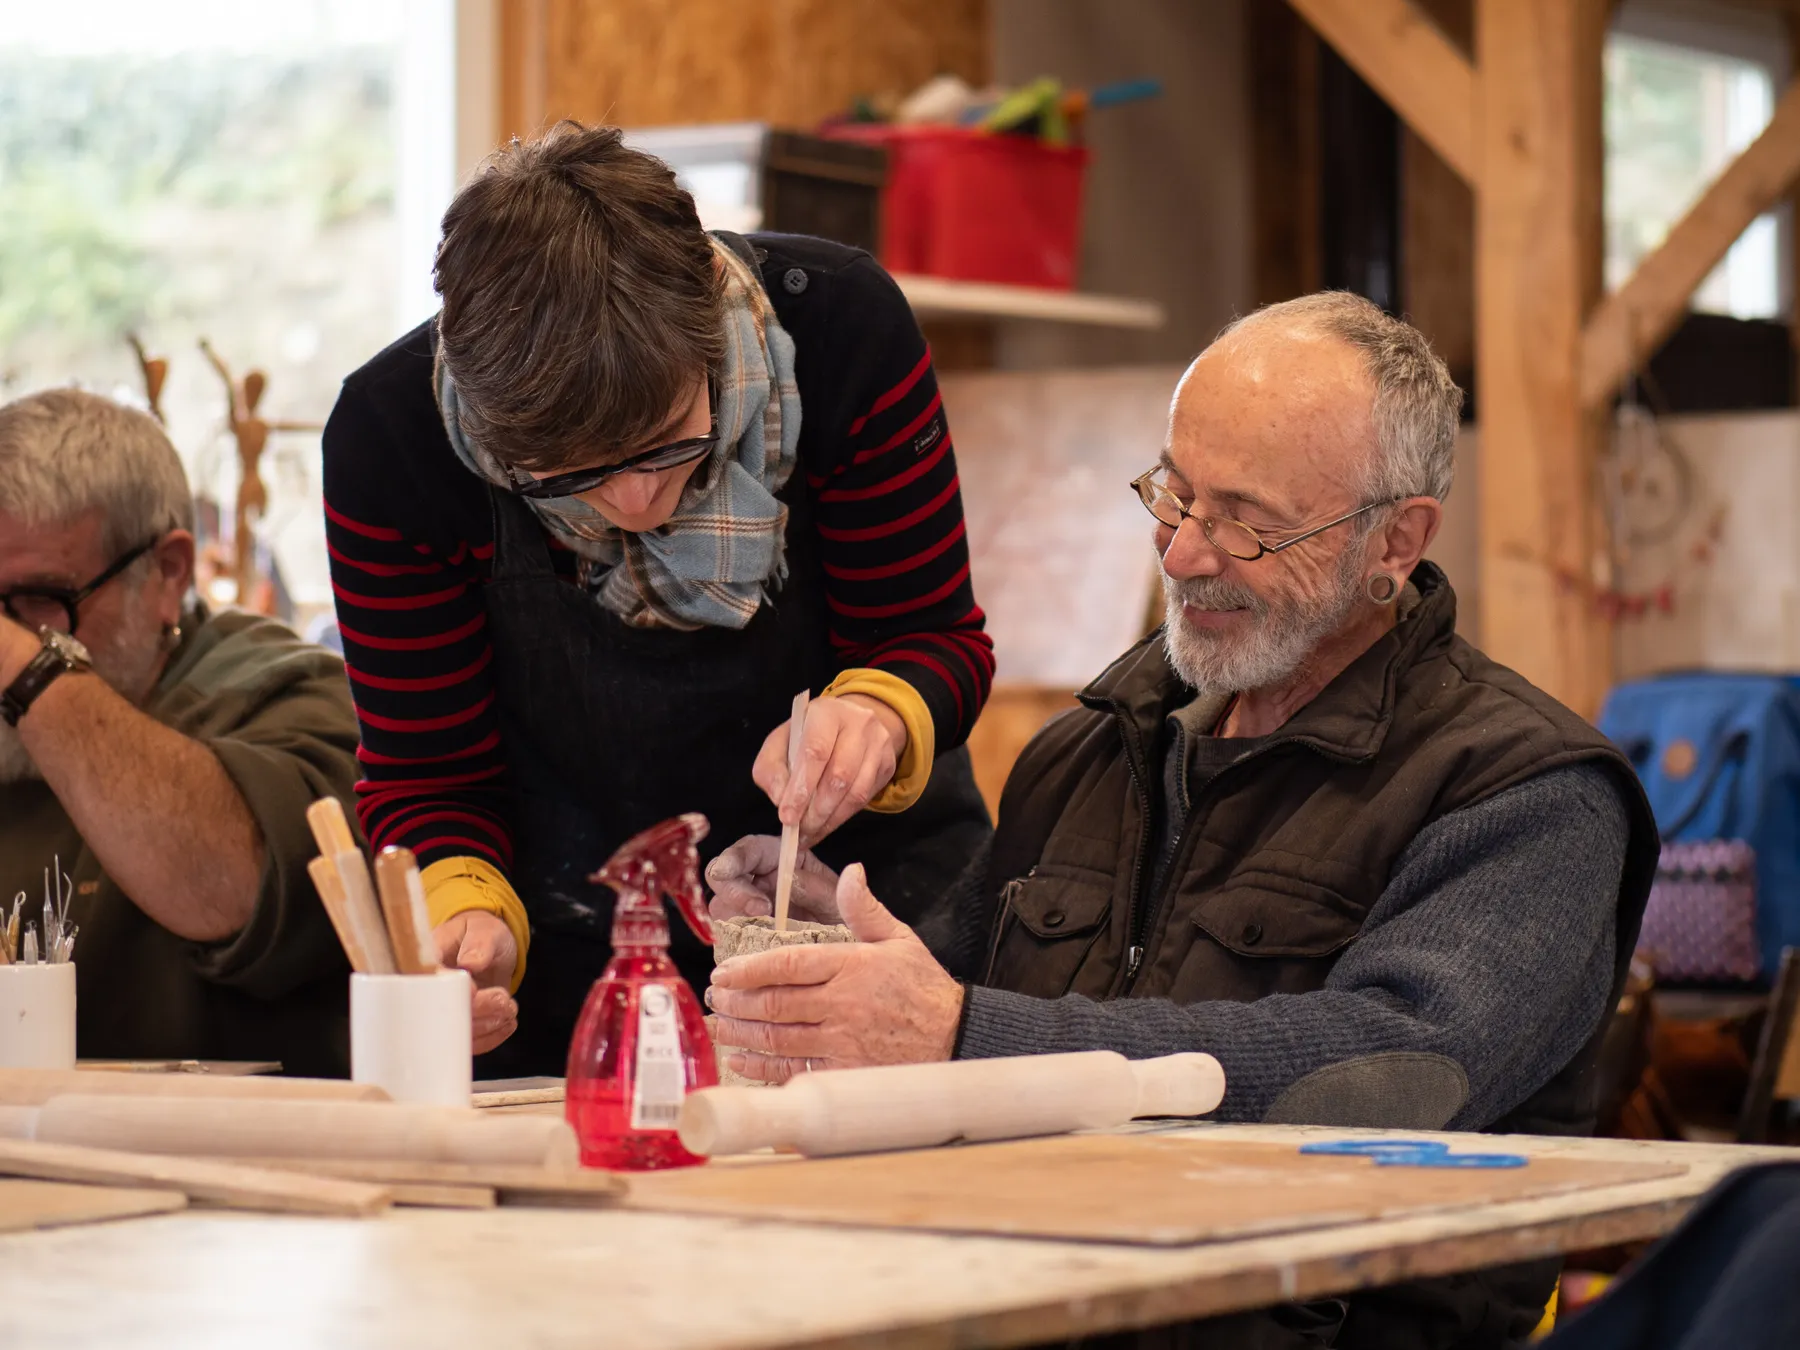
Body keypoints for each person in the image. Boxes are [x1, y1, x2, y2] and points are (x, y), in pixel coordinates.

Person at [704, 293, 1661, 1348]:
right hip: (1033, 1306)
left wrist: (970, 1039)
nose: (1182, 554)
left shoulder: (1527, 791)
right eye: (1175, 493)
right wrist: (832, 945)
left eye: (1248, 521)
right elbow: (950, 993)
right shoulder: (1093, 749)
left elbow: (1391, 1068)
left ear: (1398, 538)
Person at [322, 122, 994, 1074]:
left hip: (871, 908)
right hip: (579, 955)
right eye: (568, 479)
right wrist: (463, 914)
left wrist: (877, 710)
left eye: (671, 443)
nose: (636, 504)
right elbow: (430, 775)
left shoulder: (843, 336)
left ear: (709, 331)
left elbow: (934, 634)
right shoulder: (393, 442)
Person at [0, 389, 358, 1073]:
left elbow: (234, 889)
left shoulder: (285, 695)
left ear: (167, 572)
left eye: (42, 599)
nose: (12, 632)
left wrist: (28, 670)